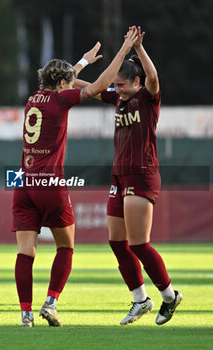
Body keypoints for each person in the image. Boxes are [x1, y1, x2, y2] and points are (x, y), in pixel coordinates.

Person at [12, 27, 138, 327]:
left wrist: (81, 62)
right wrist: (121, 52)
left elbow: (61, 79)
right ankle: (51, 302)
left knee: (25, 253)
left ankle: (26, 315)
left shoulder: (33, 99)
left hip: (23, 184)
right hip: (50, 184)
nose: (71, 85)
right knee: (65, 247)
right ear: (61, 85)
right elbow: (97, 87)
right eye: (68, 82)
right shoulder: (60, 101)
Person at [75, 26, 182, 326]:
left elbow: (154, 77)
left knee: (138, 244)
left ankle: (170, 296)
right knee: (116, 242)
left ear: (136, 82)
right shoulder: (119, 99)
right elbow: (87, 85)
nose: (118, 90)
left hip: (142, 174)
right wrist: (77, 69)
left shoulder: (148, 98)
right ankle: (140, 299)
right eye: (116, 86)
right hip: (119, 177)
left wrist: (137, 49)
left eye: (122, 85)